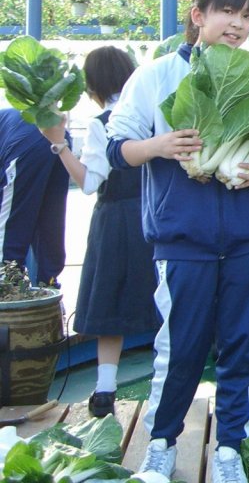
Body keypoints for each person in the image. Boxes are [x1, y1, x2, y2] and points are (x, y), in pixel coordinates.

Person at [107, 0, 249, 483]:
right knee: (178, 347)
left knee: (243, 346)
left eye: (246, 15)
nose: (238, 24)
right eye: (227, 11)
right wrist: (159, 146)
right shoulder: (158, 75)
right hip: (183, 237)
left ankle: (231, 446)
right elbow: (118, 149)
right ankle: (162, 443)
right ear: (198, 15)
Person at [39, 46, 159, 418]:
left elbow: (89, 182)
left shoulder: (101, 123)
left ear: (92, 84)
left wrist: (59, 144)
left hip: (115, 221)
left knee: (110, 301)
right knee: (165, 301)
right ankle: (165, 386)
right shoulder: (152, 113)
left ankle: (105, 389)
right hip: (158, 214)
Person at [0, 108, 69, 285]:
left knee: (9, 227)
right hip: (57, 134)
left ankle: (6, 285)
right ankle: (48, 284)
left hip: (23, 142)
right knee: (50, 221)